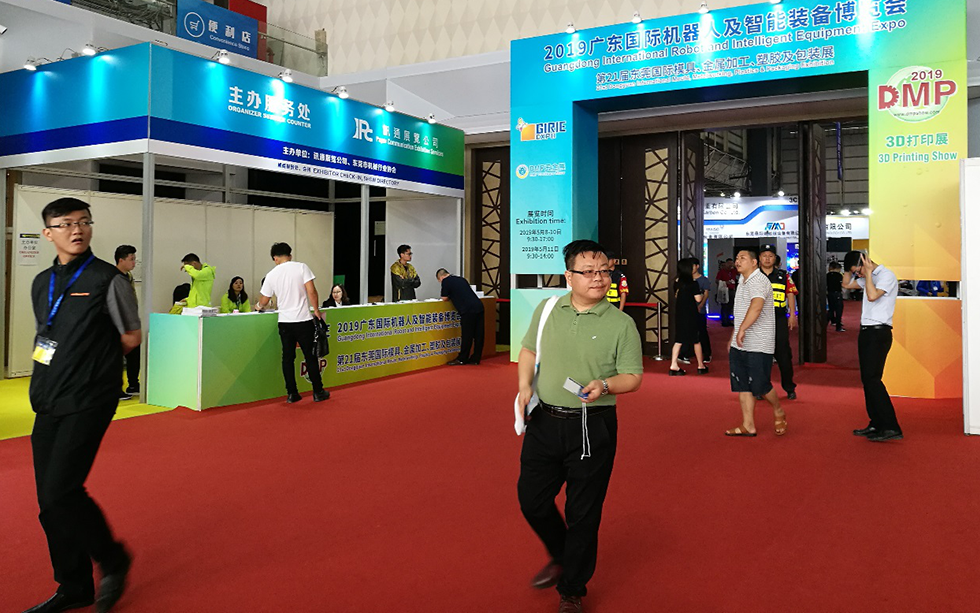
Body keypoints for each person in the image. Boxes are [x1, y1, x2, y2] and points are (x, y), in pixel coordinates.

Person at [24, 197, 139, 613]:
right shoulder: (42, 282)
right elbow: (46, 334)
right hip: (48, 396)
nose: (77, 229)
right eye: (66, 223)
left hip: (90, 396)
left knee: (62, 490)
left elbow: (131, 336)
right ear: (48, 233)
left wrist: (94, 363)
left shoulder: (109, 279)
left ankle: (113, 559)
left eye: (84, 222)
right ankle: (73, 585)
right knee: (48, 503)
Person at [516, 239, 643, 613]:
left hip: (592, 426)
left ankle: (571, 589)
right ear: (569, 276)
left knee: (583, 514)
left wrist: (605, 385)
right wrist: (524, 387)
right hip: (544, 421)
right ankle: (562, 553)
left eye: (604, 271)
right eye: (588, 272)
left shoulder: (621, 324)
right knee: (532, 501)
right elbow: (529, 350)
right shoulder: (548, 309)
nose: (599, 278)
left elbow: (633, 377)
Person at [256, 242, 329, 404]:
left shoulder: (271, 275)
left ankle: (292, 393)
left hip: (285, 322)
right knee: (310, 356)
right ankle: (318, 392)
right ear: (290, 255)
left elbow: (265, 299)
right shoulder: (301, 267)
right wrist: (316, 310)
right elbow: (312, 291)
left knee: (288, 358)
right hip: (303, 320)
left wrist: (258, 306)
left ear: (275, 258)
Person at [725, 247, 786, 437]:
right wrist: (734, 335)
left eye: (742, 258)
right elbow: (742, 313)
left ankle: (778, 410)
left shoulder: (759, 280)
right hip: (740, 342)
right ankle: (748, 425)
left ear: (754, 262)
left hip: (759, 342)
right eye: (737, 258)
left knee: (761, 385)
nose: (737, 261)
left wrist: (742, 329)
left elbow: (757, 306)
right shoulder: (742, 281)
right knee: (742, 384)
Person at [842, 250, 902, 442]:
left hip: (879, 332)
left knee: (873, 379)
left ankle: (891, 426)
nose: (857, 275)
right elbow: (846, 284)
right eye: (855, 272)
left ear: (865, 262)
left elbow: (872, 295)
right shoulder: (866, 276)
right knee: (867, 380)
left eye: (857, 270)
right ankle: (876, 423)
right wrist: (849, 270)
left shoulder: (886, 275)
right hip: (867, 332)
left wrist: (867, 273)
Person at [759, 245, 798, 400]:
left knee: (783, 354)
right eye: (764, 256)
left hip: (779, 318)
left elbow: (790, 294)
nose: (767, 259)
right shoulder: (753, 276)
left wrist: (792, 314)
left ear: (775, 258)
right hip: (759, 320)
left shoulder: (784, 275)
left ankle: (789, 388)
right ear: (759, 258)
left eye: (770, 256)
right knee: (761, 355)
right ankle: (761, 388)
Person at [435, 268, 485, 365]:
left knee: (467, 335)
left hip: (467, 310)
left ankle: (462, 358)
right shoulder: (461, 279)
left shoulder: (446, 281)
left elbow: (444, 298)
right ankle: (476, 358)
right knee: (479, 334)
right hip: (479, 306)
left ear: (440, 277)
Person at [669, 258, 707, 376]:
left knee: (678, 340)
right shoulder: (693, 283)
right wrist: (701, 292)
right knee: (696, 340)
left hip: (680, 313)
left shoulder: (677, 282)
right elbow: (698, 299)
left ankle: (673, 365)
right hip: (691, 314)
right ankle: (701, 365)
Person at [114, 245, 140, 399]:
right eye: (131, 259)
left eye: (134, 259)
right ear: (121, 260)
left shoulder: (128, 277)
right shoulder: (112, 278)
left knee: (134, 353)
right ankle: (115, 389)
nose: (134, 263)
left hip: (129, 322)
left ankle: (133, 384)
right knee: (115, 358)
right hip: (117, 323)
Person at [679, 258, 712, 365]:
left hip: (699, 310)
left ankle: (707, 353)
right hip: (688, 311)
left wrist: (701, 305)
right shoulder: (685, 280)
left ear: (697, 266)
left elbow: (706, 294)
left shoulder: (704, 280)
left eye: (692, 266)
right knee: (686, 332)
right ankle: (685, 353)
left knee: (702, 332)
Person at [716, 258, 738, 326]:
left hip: (732, 290)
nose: (730, 265)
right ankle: (724, 321)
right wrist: (725, 282)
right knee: (724, 306)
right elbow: (717, 280)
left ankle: (729, 320)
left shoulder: (733, 271)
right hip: (725, 290)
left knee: (730, 306)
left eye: (731, 263)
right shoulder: (721, 272)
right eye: (729, 263)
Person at [827, 262, 845, 332]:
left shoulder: (827, 275)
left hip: (829, 293)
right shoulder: (839, 275)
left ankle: (832, 321)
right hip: (837, 293)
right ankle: (838, 326)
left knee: (831, 308)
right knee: (838, 310)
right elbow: (842, 284)